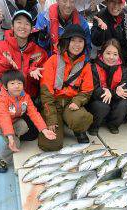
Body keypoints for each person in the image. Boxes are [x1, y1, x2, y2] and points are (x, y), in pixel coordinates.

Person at [38, 24, 94, 152]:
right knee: (50, 145)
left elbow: (87, 90)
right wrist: (51, 119)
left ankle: (76, 128)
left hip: (71, 103)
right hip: (53, 104)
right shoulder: (53, 60)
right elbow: (46, 94)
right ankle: (58, 122)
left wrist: (77, 101)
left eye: (80, 41)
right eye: (73, 40)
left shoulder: (85, 65)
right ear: (66, 42)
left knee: (82, 119)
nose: (77, 44)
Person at [0, 10, 48, 141]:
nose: (22, 26)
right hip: (6, 97)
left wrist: (33, 73)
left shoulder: (40, 52)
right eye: (19, 22)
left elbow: (42, 80)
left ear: (31, 29)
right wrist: (6, 63)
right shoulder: (0, 46)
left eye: (26, 24)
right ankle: (5, 128)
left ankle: (12, 126)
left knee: (32, 134)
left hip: (27, 99)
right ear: (12, 26)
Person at [0, 70, 56, 173]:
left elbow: (34, 113)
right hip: (2, 126)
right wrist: (10, 137)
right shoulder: (1, 100)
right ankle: (3, 159)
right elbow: (4, 119)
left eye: (19, 83)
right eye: (12, 83)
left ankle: (14, 138)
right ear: (5, 86)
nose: (17, 86)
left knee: (24, 126)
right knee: (16, 143)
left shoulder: (25, 97)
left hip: (15, 121)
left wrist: (44, 130)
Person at [88, 38, 127, 135]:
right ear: (102, 53)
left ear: (119, 55)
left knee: (124, 104)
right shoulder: (93, 67)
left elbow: (124, 86)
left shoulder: (123, 69)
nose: (111, 57)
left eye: (115, 54)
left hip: (114, 100)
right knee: (102, 106)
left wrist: (120, 90)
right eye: (108, 53)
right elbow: (93, 90)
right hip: (98, 101)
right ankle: (94, 125)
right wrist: (105, 92)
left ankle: (113, 124)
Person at [91, 0, 127, 65]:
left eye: (119, 2)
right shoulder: (100, 16)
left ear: (123, 4)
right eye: (112, 1)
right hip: (108, 59)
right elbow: (96, 43)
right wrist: (100, 30)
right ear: (107, 2)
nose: (116, 6)